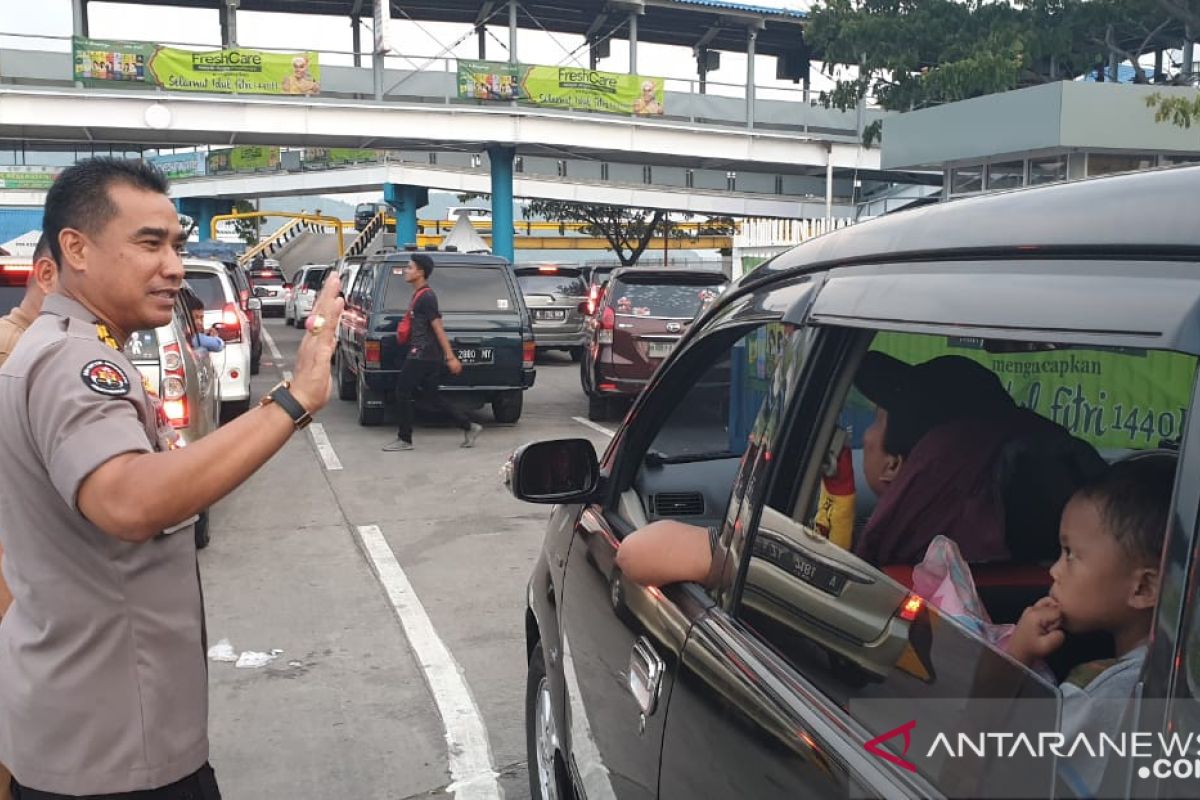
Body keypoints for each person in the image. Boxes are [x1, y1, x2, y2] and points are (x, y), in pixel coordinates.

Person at [0, 157, 343, 798]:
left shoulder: (66, 347)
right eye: (149, 244)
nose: (175, 268)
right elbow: (128, 501)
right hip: (115, 751)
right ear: (74, 249)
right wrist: (295, 399)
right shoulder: (74, 364)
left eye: (177, 245)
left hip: (89, 731)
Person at [1006, 455, 1173, 794]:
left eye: (1070, 554)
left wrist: (1016, 656)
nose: (1054, 570)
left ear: (1143, 588)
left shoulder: (1102, 693)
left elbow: (995, 762)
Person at [382, 253, 482, 452]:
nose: (406, 271)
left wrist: (451, 356)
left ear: (420, 272)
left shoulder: (426, 297)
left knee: (402, 392)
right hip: (428, 354)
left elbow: (438, 327)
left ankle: (404, 439)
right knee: (431, 396)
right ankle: (469, 426)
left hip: (422, 353)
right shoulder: (419, 295)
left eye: (410, 267)